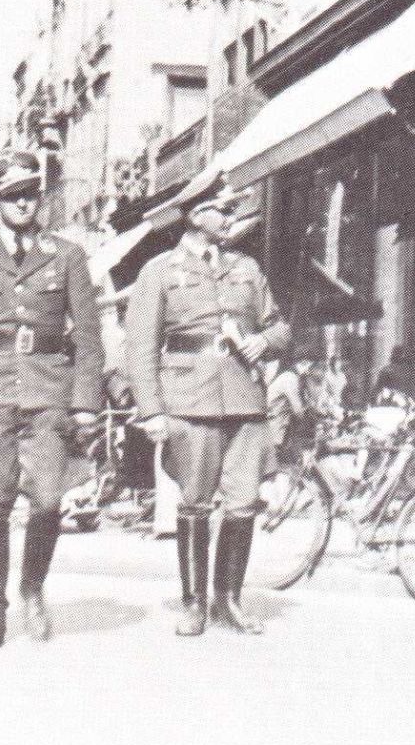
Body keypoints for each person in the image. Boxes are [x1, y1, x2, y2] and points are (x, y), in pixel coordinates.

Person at [0, 150, 105, 651]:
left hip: (49, 387)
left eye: (30, 193)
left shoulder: (68, 256)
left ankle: (32, 587)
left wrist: (85, 404)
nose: (23, 203)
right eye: (12, 196)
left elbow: (90, 338)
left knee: (49, 502)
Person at [125, 170, 291, 636]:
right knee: (195, 502)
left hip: (244, 399)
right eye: (222, 208)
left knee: (242, 502)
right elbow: (140, 346)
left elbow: (279, 327)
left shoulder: (247, 269)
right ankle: (194, 602)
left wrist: (264, 342)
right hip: (189, 399)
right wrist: (152, 410)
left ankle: (229, 600)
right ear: (197, 215)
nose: (232, 214)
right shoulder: (159, 271)